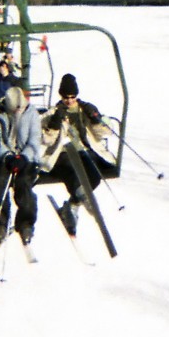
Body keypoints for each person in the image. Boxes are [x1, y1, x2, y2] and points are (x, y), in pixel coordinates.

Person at [41, 73, 111, 235]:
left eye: (72, 96)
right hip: (63, 151)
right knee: (71, 169)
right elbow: (46, 139)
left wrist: (95, 119)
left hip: (85, 149)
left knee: (94, 170)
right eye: (66, 97)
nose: (69, 100)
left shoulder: (84, 110)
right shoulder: (53, 113)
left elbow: (105, 133)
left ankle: (74, 203)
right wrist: (54, 125)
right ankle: (82, 196)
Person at [0, 87, 43, 248]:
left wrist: (24, 156)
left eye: (19, 109)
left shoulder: (32, 114)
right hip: (7, 157)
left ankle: (26, 223)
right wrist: (7, 155)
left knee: (24, 183)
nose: (17, 112)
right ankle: (1, 222)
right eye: (13, 110)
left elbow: (35, 140)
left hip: (27, 158)